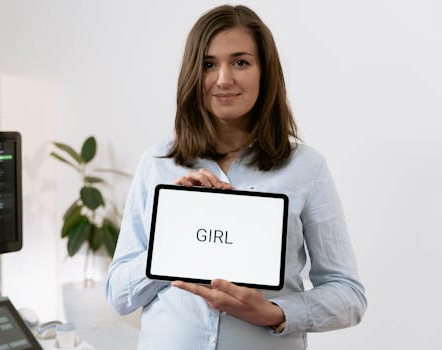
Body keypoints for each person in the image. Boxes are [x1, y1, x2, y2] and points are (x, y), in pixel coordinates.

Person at [106, 4, 366, 349]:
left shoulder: (307, 168)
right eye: (209, 64)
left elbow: (348, 295)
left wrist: (273, 312)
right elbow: (119, 295)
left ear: (264, 72)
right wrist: (174, 235)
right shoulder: (157, 163)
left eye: (240, 62)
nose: (224, 79)